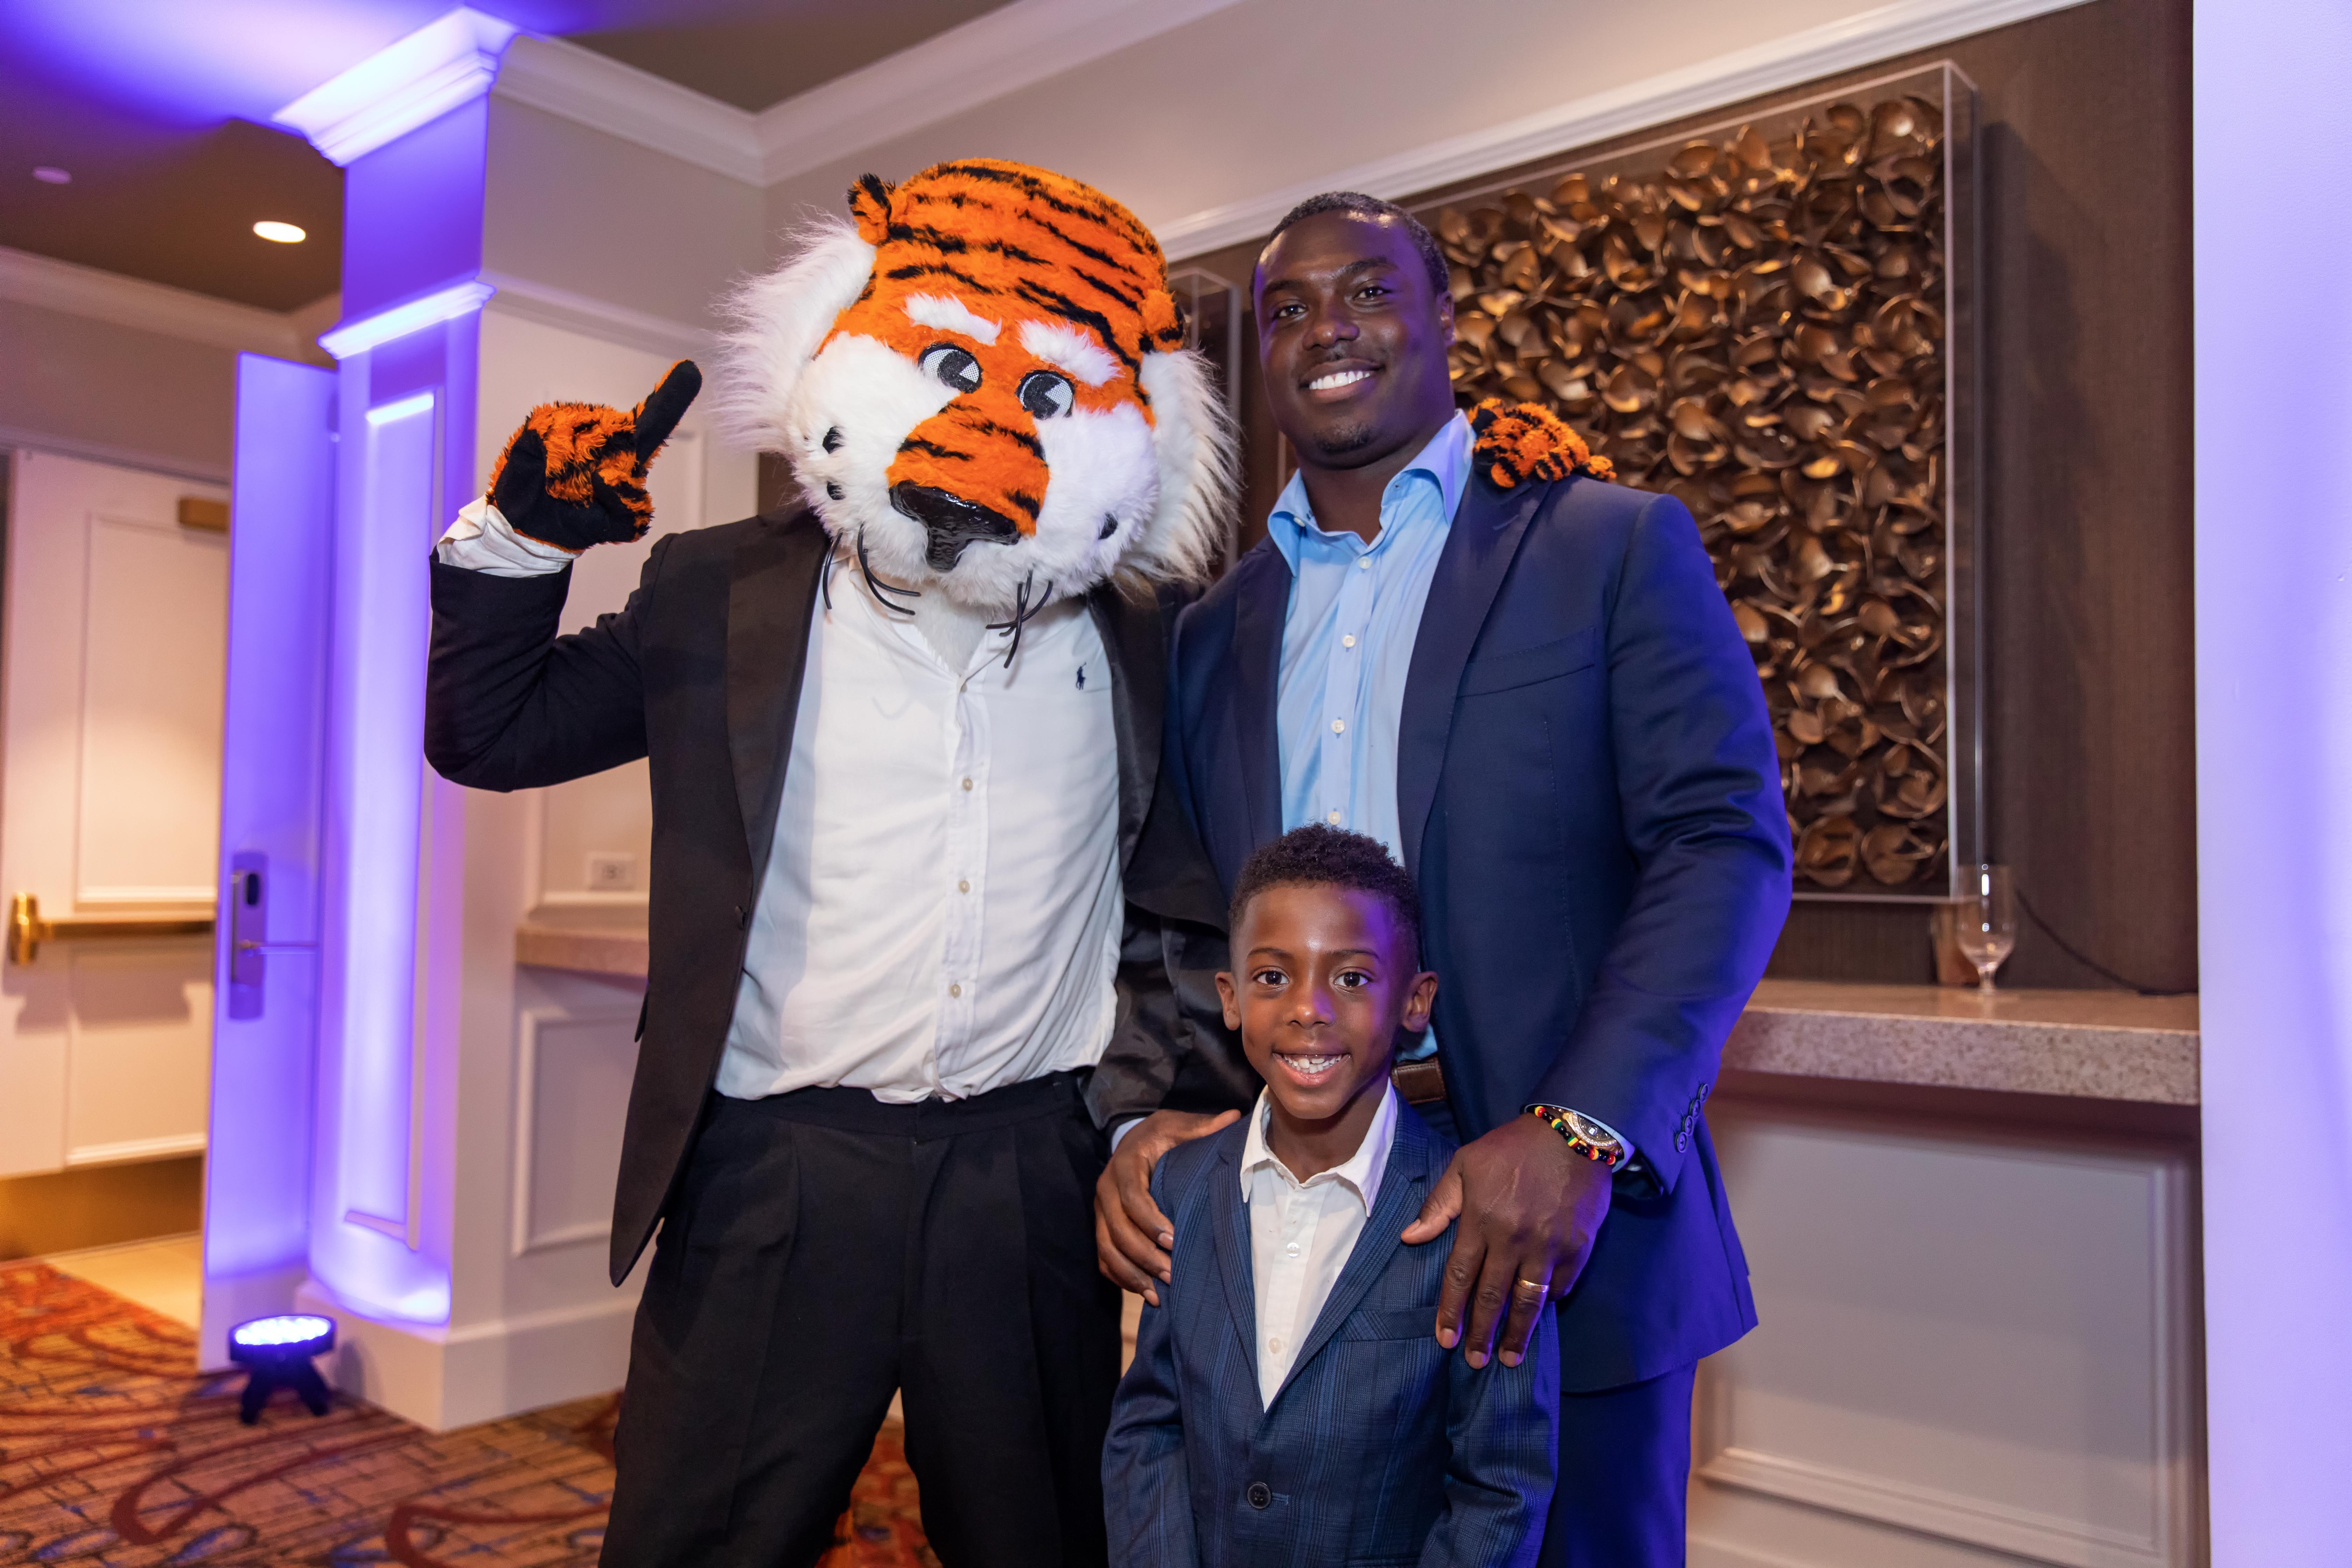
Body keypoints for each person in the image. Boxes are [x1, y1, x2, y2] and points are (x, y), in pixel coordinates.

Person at [425, 160, 1234, 1568]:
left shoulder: (1148, 636)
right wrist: (523, 538)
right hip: (775, 1170)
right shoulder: (717, 590)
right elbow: (487, 734)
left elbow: (1187, 896)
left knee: (1046, 1541)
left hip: (1031, 1173)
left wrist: (1150, 1106)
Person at [1096, 192, 1792, 1562]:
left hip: (1561, 1232)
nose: (1326, 328)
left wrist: (1580, 1127)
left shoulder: (1605, 543)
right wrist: (1151, 1117)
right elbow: (1184, 918)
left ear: (1444, 323)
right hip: (1296, 1230)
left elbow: (1724, 843)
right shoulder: (1212, 630)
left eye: (1369, 291)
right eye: (1288, 307)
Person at [1104, 825, 1555, 1568]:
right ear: (1232, 996)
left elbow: (1498, 1490)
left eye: (1350, 977)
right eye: (1274, 976)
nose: (1308, 1008)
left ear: (1416, 1001)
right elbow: (1151, 1424)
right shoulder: (1181, 1186)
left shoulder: (1476, 1220)